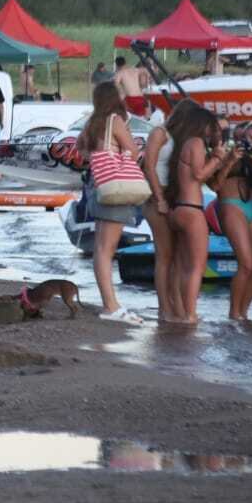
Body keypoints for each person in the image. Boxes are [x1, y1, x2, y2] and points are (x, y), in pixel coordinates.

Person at [76, 82, 147, 325]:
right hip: (116, 187)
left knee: (100, 248)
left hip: (99, 185)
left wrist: (100, 160)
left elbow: (81, 150)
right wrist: (125, 158)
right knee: (107, 249)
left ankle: (110, 303)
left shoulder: (91, 123)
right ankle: (110, 305)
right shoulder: (115, 121)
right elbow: (133, 151)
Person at [165, 105, 229, 324]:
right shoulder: (197, 143)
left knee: (183, 266)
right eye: (211, 127)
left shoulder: (184, 144)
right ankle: (190, 314)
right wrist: (218, 158)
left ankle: (180, 312)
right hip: (192, 211)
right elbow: (199, 174)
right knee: (197, 267)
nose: (214, 132)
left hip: (179, 209)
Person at [140, 100, 193, 323]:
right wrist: (159, 198)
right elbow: (148, 166)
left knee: (177, 255)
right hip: (156, 194)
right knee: (164, 254)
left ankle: (175, 305)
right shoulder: (160, 133)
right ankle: (164, 308)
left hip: (172, 196)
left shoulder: (179, 138)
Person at [211, 122, 252, 320]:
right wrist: (230, 160)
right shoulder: (224, 154)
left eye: (245, 138)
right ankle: (233, 313)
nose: (241, 142)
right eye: (237, 138)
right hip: (231, 204)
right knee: (246, 263)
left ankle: (243, 312)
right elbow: (215, 185)